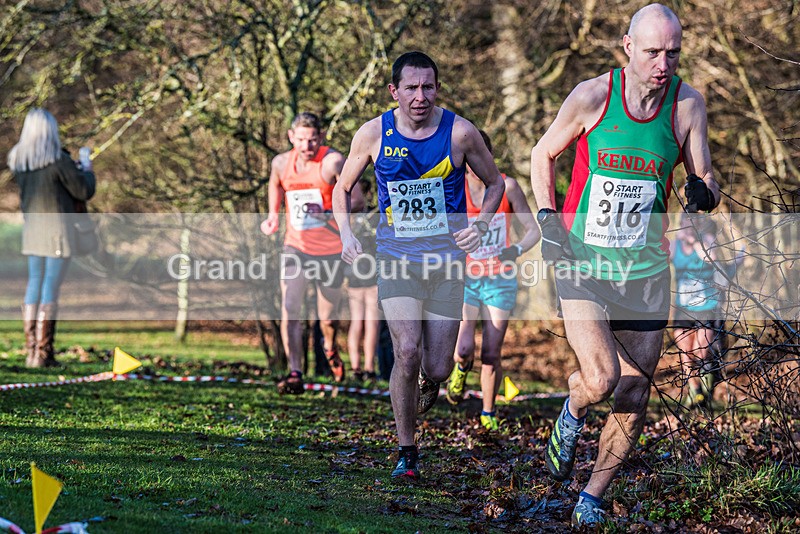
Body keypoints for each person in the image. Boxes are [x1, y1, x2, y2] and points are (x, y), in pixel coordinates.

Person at [530, 4, 720, 527]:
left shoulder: (686, 105)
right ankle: (573, 408)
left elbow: (706, 174)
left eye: (673, 52)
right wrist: (548, 218)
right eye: (654, 51)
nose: (664, 63)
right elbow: (542, 153)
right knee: (601, 378)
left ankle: (592, 493)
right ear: (628, 46)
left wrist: (704, 192)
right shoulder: (593, 96)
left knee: (634, 390)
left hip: (645, 273)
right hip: (584, 261)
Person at [333, 51, 505, 481]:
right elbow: (341, 187)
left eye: (428, 87)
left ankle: (431, 381)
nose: (420, 96)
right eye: (411, 87)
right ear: (394, 91)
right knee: (406, 351)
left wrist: (482, 225)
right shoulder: (373, 133)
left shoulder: (461, 133)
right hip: (396, 259)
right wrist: (347, 234)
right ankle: (407, 451)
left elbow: (496, 182)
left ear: (437, 88)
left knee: (439, 368)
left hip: (446, 262)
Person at [445, 130, 541, 431]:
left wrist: (514, 250)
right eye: (467, 156)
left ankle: (488, 412)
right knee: (462, 349)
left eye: (479, 155)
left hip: (500, 279)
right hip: (465, 278)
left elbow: (533, 230)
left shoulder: (507, 186)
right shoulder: (453, 187)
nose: (473, 163)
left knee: (490, 352)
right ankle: (460, 370)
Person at [262, 112, 358, 393]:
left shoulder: (333, 162)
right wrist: (273, 215)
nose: (307, 145)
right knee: (289, 310)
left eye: (312, 139)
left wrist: (327, 212)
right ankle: (295, 372)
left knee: (327, 319)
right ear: (291, 137)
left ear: (321, 137)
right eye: (301, 139)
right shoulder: (281, 163)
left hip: (330, 251)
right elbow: (275, 183)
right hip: (296, 247)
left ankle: (329, 345)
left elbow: (360, 201)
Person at [8, 108, 96, 368]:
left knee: (35, 283)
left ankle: (32, 350)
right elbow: (83, 189)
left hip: (33, 230)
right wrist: (87, 167)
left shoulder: (20, 161)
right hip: (58, 231)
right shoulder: (58, 160)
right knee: (49, 287)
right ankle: (43, 353)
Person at [345, 181, 380, 382]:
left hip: (360, 273)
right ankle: (364, 367)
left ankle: (361, 367)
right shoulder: (371, 218)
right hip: (365, 272)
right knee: (367, 322)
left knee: (361, 322)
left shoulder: (348, 220)